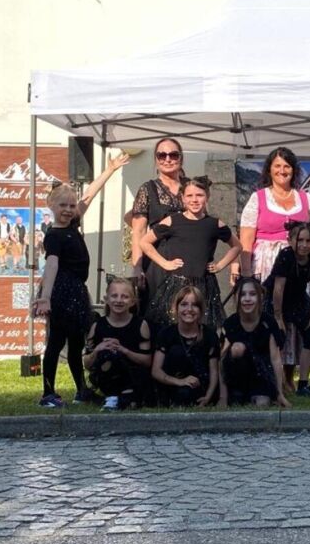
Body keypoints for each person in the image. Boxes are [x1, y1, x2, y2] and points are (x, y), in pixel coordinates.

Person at [33, 152, 130, 408]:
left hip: (77, 289)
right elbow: (52, 265)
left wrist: (110, 170)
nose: (68, 210)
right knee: (56, 343)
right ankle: (48, 393)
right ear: (51, 206)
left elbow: (89, 195)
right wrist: (45, 297)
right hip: (61, 292)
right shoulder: (54, 236)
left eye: (71, 206)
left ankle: (81, 390)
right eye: (62, 206)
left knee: (77, 343)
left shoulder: (73, 224)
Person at [139, 176, 241, 333]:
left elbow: (237, 246)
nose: (194, 200)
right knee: (172, 328)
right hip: (176, 285)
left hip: (204, 285)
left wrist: (220, 265)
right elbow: (145, 242)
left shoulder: (214, 224)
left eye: (199, 195)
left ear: (207, 197)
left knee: (203, 329)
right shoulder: (172, 221)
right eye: (190, 196)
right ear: (183, 198)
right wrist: (164, 263)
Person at [239, 146, 310, 281]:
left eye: (287, 166)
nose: (282, 171)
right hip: (265, 266)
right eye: (277, 166)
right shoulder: (258, 198)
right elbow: (246, 240)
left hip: (299, 265)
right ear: (269, 170)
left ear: (293, 170)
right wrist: (246, 272)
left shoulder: (306, 199)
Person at [264, 221, 310, 396]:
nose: (304, 245)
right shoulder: (286, 256)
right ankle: (274, 383)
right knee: (278, 336)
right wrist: (278, 318)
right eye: (300, 240)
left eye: (308, 241)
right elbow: (278, 288)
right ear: (290, 240)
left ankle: (303, 384)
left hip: (298, 299)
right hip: (275, 299)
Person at [129, 138, 187, 316]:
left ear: (181, 158)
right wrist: (137, 267)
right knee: (156, 314)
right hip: (156, 260)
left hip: (188, 259)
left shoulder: (191, 187)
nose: (167, 159)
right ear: (156, 159)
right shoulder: (147, 189)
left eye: (173, 155)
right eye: (162, 155)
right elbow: (138, 231)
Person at [219, 277, 291, 408]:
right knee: (237, 348)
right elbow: (222, 360)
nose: (247, 299)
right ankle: (237, 393)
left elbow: (275, 359)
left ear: (260, 297)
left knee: (262, 404)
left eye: (252, 294)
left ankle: (265, 394)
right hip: (238, 375)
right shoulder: (230, 324)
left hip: (261, 373)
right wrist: (223, 398)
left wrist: (280, 394)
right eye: (243, 294)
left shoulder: (268, 322)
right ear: (236, 297)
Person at [83, 277, 152, 411]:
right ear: (106, 299)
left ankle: (126, 397)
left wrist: (124, 350)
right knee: (107, 354)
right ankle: (113, 396)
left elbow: (147, 361)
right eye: (114, 296)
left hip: (132, 376)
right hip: (106, 375)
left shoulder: (141, 325)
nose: (119, 300)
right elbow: (87, 364)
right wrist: (97, 350)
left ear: (133, 301)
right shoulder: (98, 326)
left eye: (124, 297)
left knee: (118, 357)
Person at [151, 286, 220, 407]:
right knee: (177, 351)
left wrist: (207, 397)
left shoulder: (209, 335)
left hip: (201, 389)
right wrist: (180, 382)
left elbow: (214, 372)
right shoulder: (166, 334)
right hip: (172, 387)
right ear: (176, 307)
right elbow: (156, 371)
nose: (189, 309)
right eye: (184, 304)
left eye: (195, 305)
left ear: (201, 310)